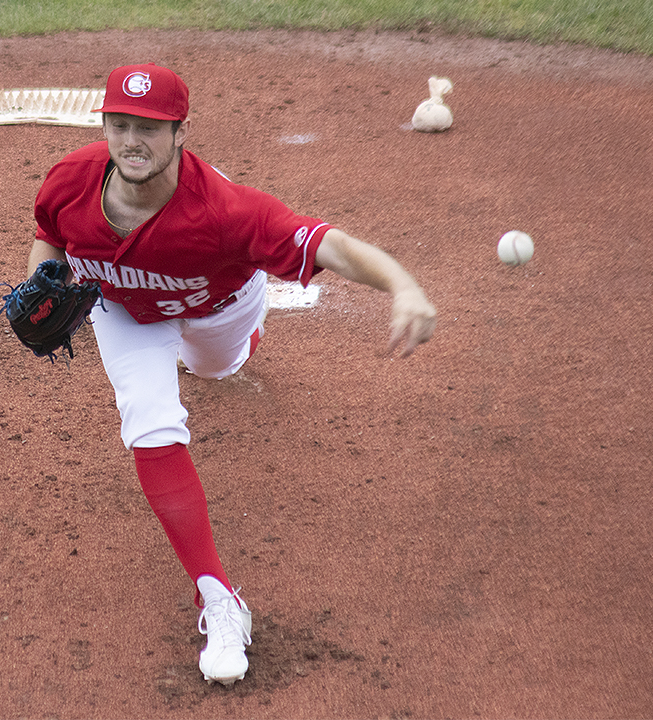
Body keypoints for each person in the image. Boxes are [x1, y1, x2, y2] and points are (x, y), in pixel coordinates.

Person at [25, 62, 437, 686]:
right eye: (120, 123)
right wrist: (41, 280)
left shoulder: (228, 212)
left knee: (217, 368)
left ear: (179, 133)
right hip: (123, 311)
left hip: (220, 307)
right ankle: (218, 597)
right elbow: (47, 236)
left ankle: (239, 347)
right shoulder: (71, 179)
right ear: (105, 124)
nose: (133, 139)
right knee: (150, 421)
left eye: (150, 127)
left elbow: (331, 245)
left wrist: (402, 284)